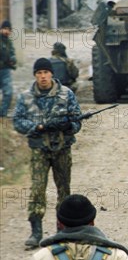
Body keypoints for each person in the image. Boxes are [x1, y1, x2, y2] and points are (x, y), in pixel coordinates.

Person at [13, 58, 82, 248]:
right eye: (39, 73)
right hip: (39, 150)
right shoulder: (26, 97)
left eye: (46, 72)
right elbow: (18, 121)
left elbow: (77, 120)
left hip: (62, 149)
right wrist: (39, 126)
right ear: (35, 75)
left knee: (64, 190)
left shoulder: (66, 94)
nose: (43, 76)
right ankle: (36, 232)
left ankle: (64, 230)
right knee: (37, 189)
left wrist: (70, 127)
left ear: (52, 74)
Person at [0, 19, 16, 117]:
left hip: (5, 71)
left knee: (8, 92)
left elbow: (12, 53)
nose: (7, 31)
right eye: (5, 29)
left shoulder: (9, 42)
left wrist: (13, 59)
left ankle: (2, 113)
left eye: (9, 29)